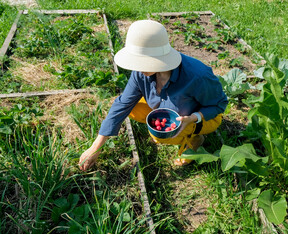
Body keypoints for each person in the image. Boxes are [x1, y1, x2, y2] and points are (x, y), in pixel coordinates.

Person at [79, 19, 228, 171]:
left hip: (205, 116)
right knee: (132, 108)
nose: (137, 67)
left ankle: (194, 139)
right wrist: (95, 147)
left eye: (142, 62)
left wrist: (193, 118)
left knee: (158, 135)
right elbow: (122, 104)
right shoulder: (140, 72)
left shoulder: (197, 76)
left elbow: (219, 104)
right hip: (176, 111)